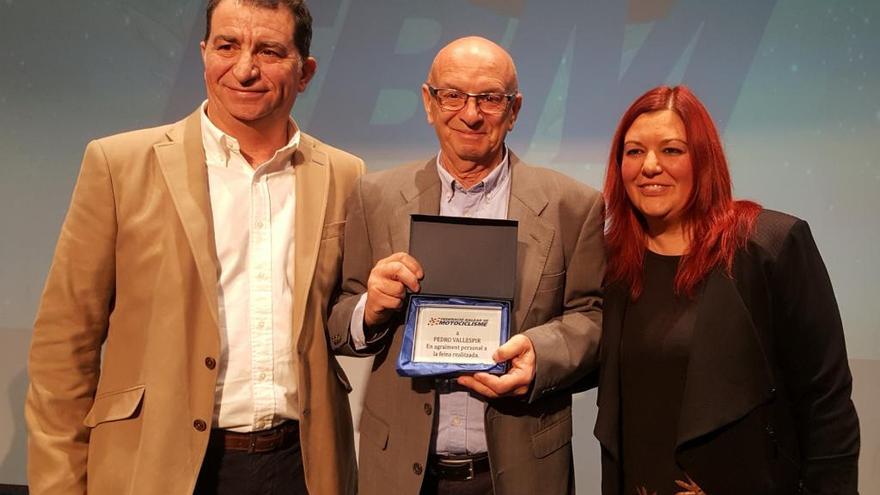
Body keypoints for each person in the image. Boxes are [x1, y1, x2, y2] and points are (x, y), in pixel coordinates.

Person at [25, 1, 362, 493]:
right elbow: (64, 344)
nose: (244, 69)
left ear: (305, 71)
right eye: (227, 46)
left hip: (303, 467)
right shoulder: (119, 164)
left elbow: (349, 318)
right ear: (203, 53)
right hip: (158, 464)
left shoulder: (345, 175)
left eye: (268, 51)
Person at [326, 36, 604, 495]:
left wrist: (542, 351)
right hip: (401, 471)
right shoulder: (374, 197)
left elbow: (593, 316)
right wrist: (369, 309)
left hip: (521, 471)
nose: (470, 114)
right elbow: (340, 321)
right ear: (428, 102)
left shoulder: (573, 206)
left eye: (490, 99)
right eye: (452, 95)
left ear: (513, 110)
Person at [594, 85, 860, 494]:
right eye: (634, 151)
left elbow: (826, 399)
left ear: (703, 159)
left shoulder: (769, 246)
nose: (649, 166)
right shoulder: (611, 264)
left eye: (671, 150)